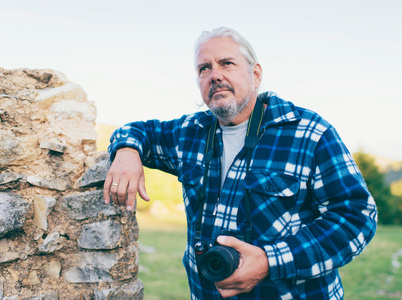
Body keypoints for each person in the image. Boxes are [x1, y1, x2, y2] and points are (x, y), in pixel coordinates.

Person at [103, 27, 377, 299]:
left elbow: (357, 216)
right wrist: (127, 150)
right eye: (204, 69)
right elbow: (137, 130)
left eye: (227, 64)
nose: (215, 75)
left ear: (255, 74)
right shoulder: (190, 132)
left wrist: (271, 260)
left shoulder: (310, 133)